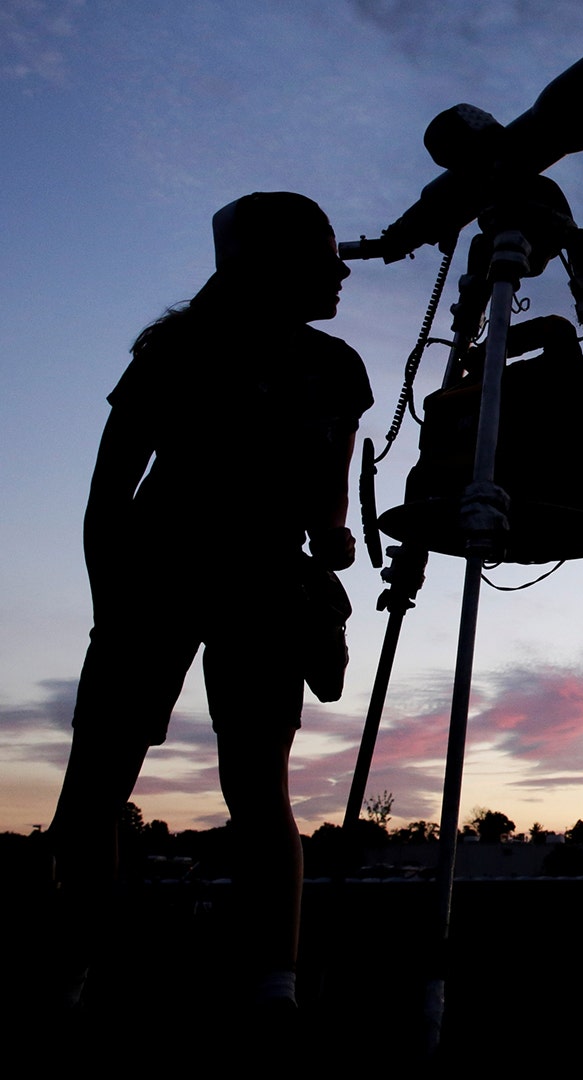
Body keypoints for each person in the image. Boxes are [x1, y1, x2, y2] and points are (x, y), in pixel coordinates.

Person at [48, 192, 371, 1013]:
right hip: (156, 581)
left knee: (258, 789)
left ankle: (273, 991)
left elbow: (327, 492)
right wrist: (110, 611)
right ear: (266, 265)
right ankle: (68, 972)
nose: (341, 269)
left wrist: (332, 537)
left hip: (264, 585)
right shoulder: (178, 353)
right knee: (94, 791)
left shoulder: (337, 367)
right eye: (322, 253)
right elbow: (107, 499)